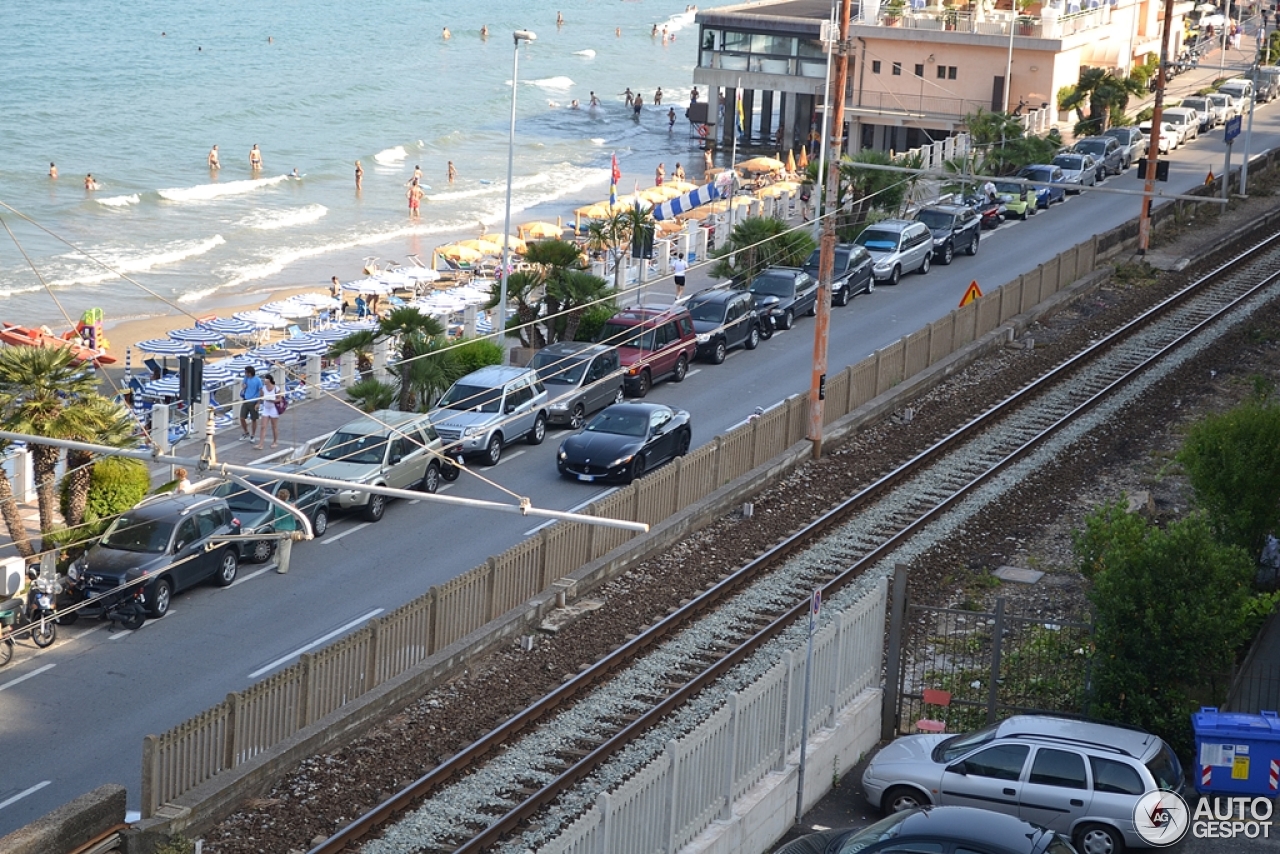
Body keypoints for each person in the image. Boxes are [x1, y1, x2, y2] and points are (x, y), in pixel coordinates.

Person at [256, 374, 280, 450]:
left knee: (274, 426)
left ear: (269, 380)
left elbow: (279, 399)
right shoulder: (264, 388)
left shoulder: (276, 388)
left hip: (274, 409)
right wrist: (258, 403)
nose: (264, 381)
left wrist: (272, 400)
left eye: (265, 379)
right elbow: (261, 396)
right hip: (266, 408)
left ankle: (275, 441)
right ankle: (261, 444)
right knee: (263, 426)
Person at [239, 366, 263, 442]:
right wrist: (244, 387)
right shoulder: (246, 378)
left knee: (254, 419)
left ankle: (253, 435)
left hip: (254, 402)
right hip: (246, 400)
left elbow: (261, 392)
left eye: (246, 372)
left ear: (249, 373)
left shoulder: (258, 380)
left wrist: (258, 403)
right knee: (242, 418)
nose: (245, 373)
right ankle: (246, 432)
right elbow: (243, 385)